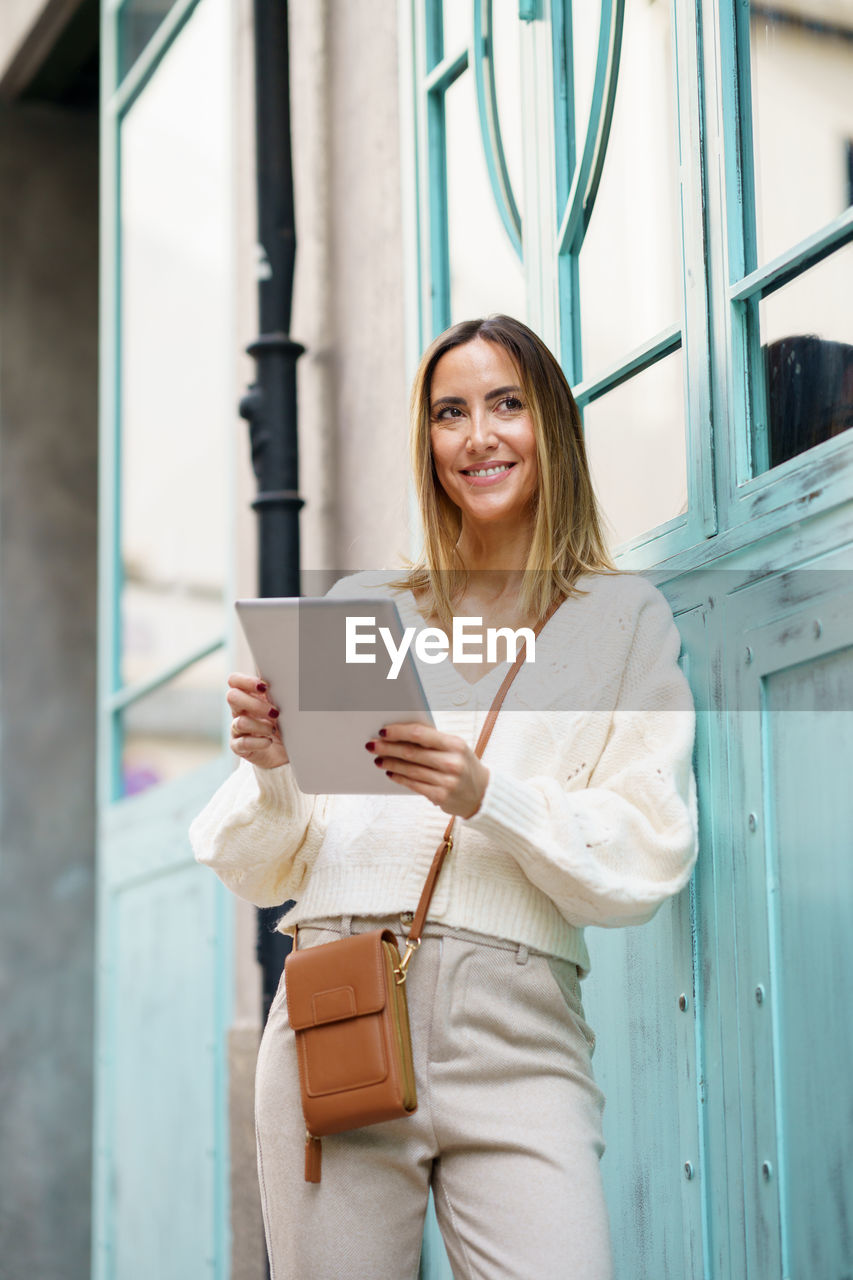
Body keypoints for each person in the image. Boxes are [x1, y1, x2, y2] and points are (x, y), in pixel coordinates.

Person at [190, 314, 699, 1279]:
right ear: (427, 443)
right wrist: (269, 761)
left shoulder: (620, 619)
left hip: (518, 1032)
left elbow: (649, 849)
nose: (478, 436)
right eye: (449, 412)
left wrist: (487, 794)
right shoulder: (363, 605)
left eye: (506, 404)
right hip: (338, 1008)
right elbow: (272, 861)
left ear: (550, 424)